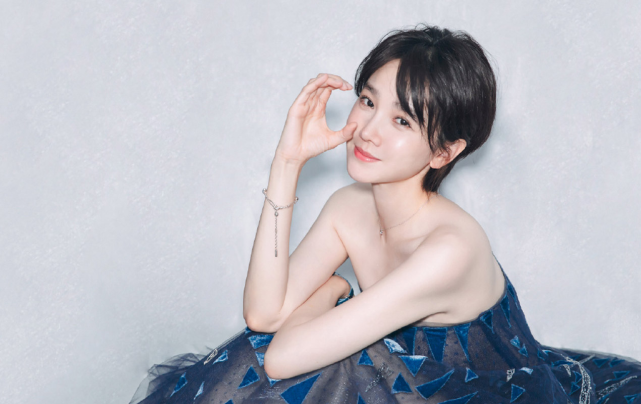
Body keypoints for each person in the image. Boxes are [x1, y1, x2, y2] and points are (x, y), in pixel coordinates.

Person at [129, 24, 641, 404]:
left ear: (444, 152)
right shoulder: (350, 206)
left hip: (484, 396)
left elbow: (282, 357)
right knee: (281, 356)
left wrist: (331, 291)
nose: (370, 131)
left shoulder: (450, 250)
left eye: (402, 121)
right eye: (368, 102)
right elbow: (263, 316)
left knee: (324, 363)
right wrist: (287, 163)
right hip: (406, 383)